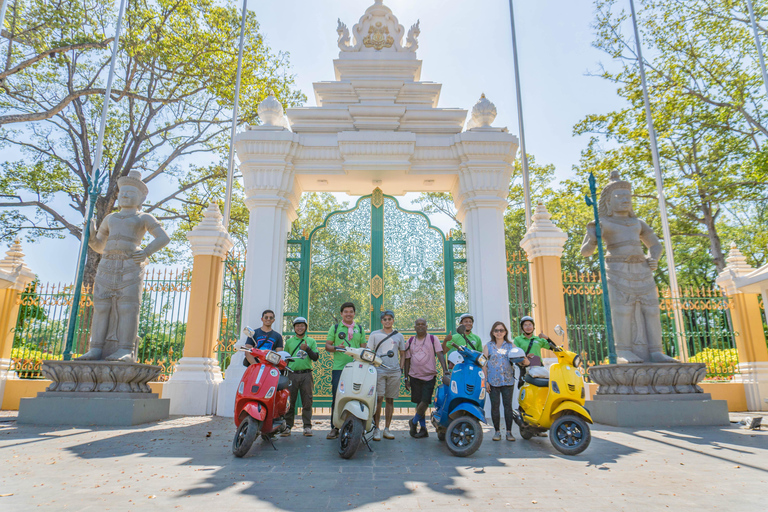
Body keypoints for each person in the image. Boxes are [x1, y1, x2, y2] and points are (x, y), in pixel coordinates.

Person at [77, 170, 170, 362]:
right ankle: (95, 348)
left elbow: (163, 237)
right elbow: (99, 245)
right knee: (102, 307)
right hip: (107, 264)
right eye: (123, 192)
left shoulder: (143, 217)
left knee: (128, 307)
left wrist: (146, 252)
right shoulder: (110, 218)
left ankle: (125, 349)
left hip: (130, 265)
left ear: (141, 198)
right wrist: (90, 235)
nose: (125, 195)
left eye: (130, 192)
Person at [324, 301, 366, 440]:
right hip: (339, 369)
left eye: (351, 311)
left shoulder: (359, 329)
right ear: (341, 314)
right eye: (346, 311)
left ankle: (356, 427)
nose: (348, 314)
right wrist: (337, 347)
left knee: (358, 395)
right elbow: (327, 346)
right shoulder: (335, 328)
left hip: (357, 368)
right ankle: (334, 427)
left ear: (354, 313)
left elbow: (364, 348)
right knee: (337, 397)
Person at [403, 318, 447, 438]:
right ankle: (423, 429)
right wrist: (406, 378)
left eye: (423, 324)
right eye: (418, 324)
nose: (421, 326)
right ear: (415, 327)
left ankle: (413, 421)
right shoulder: (410, 341)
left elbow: (440, 354)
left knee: (425, 402)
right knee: (418, 402)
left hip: (429, 376)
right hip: (414, 376)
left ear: (427, 327)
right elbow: (407, 360)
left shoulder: (433, 339)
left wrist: (445, 370)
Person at [483, 321, 527, 442]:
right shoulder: (488, 346)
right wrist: (485, 381)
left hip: (508, 381)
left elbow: (520, 358)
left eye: (501, 330)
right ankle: (497, 431)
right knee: (495, 407)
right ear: (493, 332)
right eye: (496, 330)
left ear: (505, 332)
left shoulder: (510, 346)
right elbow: (483, 364)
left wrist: (525, 359)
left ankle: (509, 432)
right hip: (493, 381)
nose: (499, 332)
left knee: (508, 407)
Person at [367, 309, 406, 441]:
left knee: (390, 399)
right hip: (379, 370)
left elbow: (403, 354)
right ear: (381, 321)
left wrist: (400, 369)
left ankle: (387, 428)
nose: (387, 321)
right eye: (385, 319)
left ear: (393, 320)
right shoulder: (375, 334)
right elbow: (369, 351)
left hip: (394, 371)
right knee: (378, 399)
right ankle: (376, 428)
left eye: (390, 319)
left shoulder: (399, 336)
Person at [282, 317, 319, 437]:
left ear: (306, 327)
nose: (300, 328)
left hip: (306, 374)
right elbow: (285, 359)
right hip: (292, 374)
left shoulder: (311, 341)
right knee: (290, 401)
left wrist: (307, 348)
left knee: (307, 401)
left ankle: (307, 427)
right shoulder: (289, 342)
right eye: (297, 325)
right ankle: (288, 426)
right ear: (294, 328)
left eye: (302, 325)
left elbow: (315, 357)